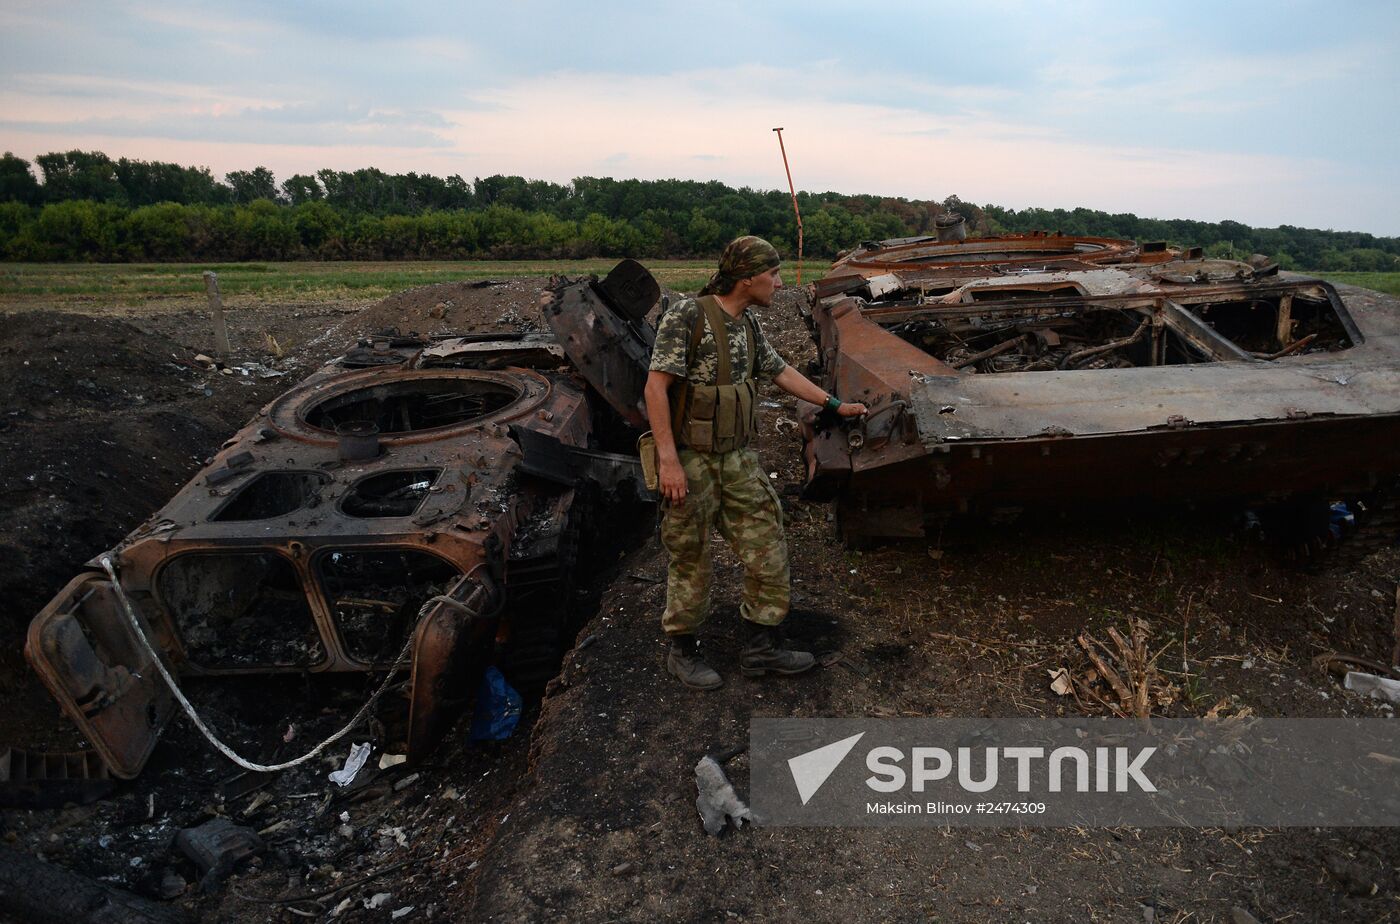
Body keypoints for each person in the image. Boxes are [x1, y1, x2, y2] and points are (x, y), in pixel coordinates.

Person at [643, 236, 867, 690]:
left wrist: (835, 404)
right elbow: (655, 388)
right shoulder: (688, 316)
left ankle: (762, 648)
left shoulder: (749, 326)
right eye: (774, 274)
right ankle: (682, 651)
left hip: (738, 459)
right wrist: (668, 461)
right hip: (691, 461)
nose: (780, 283)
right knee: (691, 555)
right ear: (747, 278)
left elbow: (781, 371)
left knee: (767, 544)